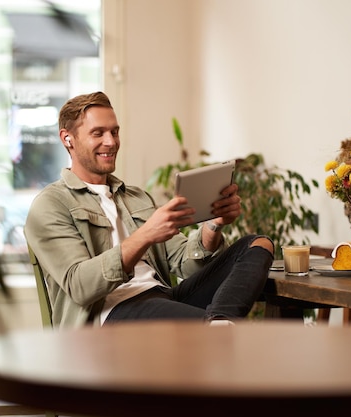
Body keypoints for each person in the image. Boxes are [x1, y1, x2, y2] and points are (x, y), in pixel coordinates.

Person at [24, 91, 274, 328]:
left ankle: (220, 324)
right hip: (112, 313)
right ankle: (217, 329)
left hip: (162, 298)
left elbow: (186, 265)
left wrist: (213, 224)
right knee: (222, 335)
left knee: (258, 245)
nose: (110, 142)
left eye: (114, 131)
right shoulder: (52, 204)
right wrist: (145, 235)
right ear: (68, 139)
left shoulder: (135, 198)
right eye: (98, 133)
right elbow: (80, 285)